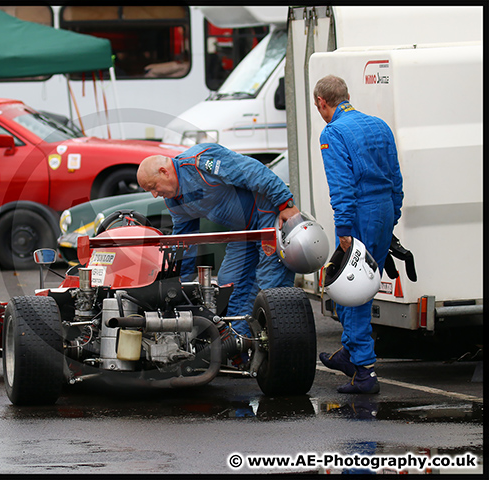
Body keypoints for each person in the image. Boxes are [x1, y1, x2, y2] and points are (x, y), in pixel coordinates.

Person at [137, 143, 300, 336]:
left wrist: (285, 203)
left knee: (270, 283)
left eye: (153, 187)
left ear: (164, 172)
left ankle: (279, 344)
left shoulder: (200, 162)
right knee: (229, 283)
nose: (155, 194)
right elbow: (186, 242)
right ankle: (240, 343)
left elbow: (253, 171)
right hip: (243, 230)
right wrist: (179, 285)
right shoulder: (174, 199)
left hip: (267, 214)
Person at [313, 74, 404, 394]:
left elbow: (342, 188)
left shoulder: (333, 133)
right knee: (364, 284)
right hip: (383, 212)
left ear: (322, 102)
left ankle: (364, 370)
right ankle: (350, 353)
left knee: (352, 289)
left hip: (361, 214)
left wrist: (344, 230)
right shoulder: (379, 126)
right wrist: (394, 213)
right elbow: (395, 176)